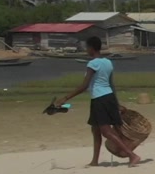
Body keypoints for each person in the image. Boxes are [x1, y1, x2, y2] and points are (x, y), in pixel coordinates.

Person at [57, 37, 144, 166]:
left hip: (99, 99)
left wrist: (65, 98)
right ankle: (94, 161)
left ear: (91, 48)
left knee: (106, 131)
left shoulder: (93, 64)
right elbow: (111, 84)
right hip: (107, 97)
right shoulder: (108, 62)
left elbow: (84, 86)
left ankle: (132, 156)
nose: (86, 50)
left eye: (87, 47)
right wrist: (116, 103)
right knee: (95, 130)